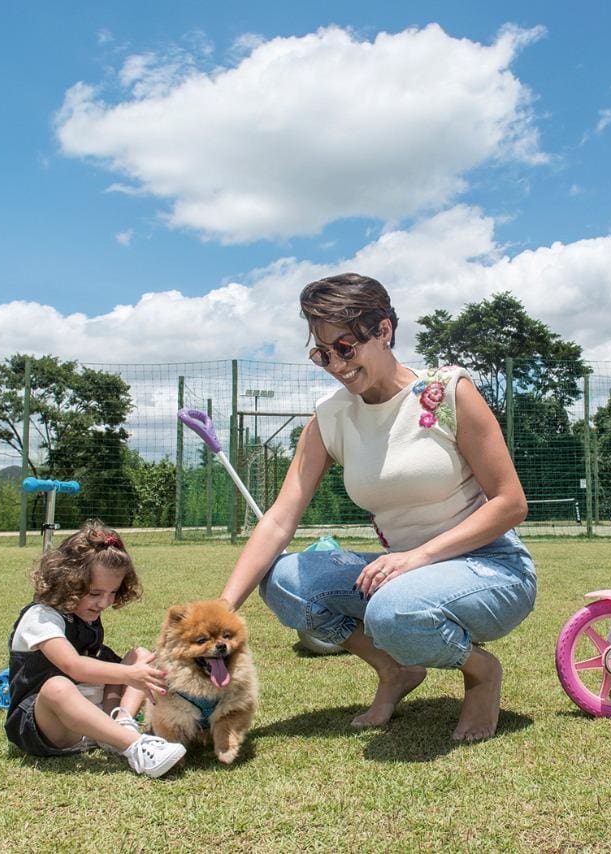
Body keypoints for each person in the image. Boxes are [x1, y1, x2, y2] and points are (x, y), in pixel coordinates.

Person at [221, 273, 535, 742]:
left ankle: (481, 672)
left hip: (491, 567)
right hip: (405, 573)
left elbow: (511, 504)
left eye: (345, 347)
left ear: (384, 331)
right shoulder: (331, 416)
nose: (335, 365)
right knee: (284, 579)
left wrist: (417, 558)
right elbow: (281, 518)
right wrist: (219, 612)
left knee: (392, 610)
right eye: (321, 353)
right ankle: (395, 671)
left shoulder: (447, 392)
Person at [5, 520, 187, 777]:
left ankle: (118, 722)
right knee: (57, 687)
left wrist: (137, 669)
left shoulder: (85, 614)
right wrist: (130, 675)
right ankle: (134, 746)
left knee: (141, 655)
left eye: (112, 592)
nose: (104, 602)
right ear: (68, 581)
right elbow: (74, 667)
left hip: (90, 714)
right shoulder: (41, 618)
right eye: (95, 593)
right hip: (50, 727)